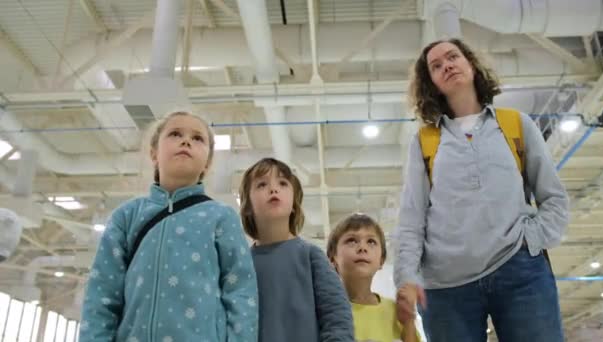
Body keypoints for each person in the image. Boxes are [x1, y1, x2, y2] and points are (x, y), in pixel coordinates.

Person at [394, 38, 569, 342]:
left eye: (453, 57)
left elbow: (553, 196)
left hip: (520, 271)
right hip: (445, 287)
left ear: (471, 64)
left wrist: (532, 241)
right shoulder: (424, 142)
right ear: (431, 82)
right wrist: (406, 277)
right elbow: (412, 218)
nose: (447, 65)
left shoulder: (516, 124)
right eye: (436, 66)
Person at [79, 111, 258, 341]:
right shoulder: (126, 216)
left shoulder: (221, 217)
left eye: (197, 138)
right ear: (154, 153)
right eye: (175, 134)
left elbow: (241, 292)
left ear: (208, 162)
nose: (186, 141)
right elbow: (102, 295)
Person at [239, 157, 354, 342]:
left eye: (283, 183)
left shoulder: (311, 256)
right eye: (261, 185)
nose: (273, 189)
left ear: (294, 204)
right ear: (247, 207)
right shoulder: (240, 264)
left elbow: (336, 314)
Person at [327, 213, 420, 342]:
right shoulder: (324, 310)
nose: (362, 248)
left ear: (381, 260)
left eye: (371, 242)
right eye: (352, 241)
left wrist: (408, 322)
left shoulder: (396, 311)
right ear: (332, 258)